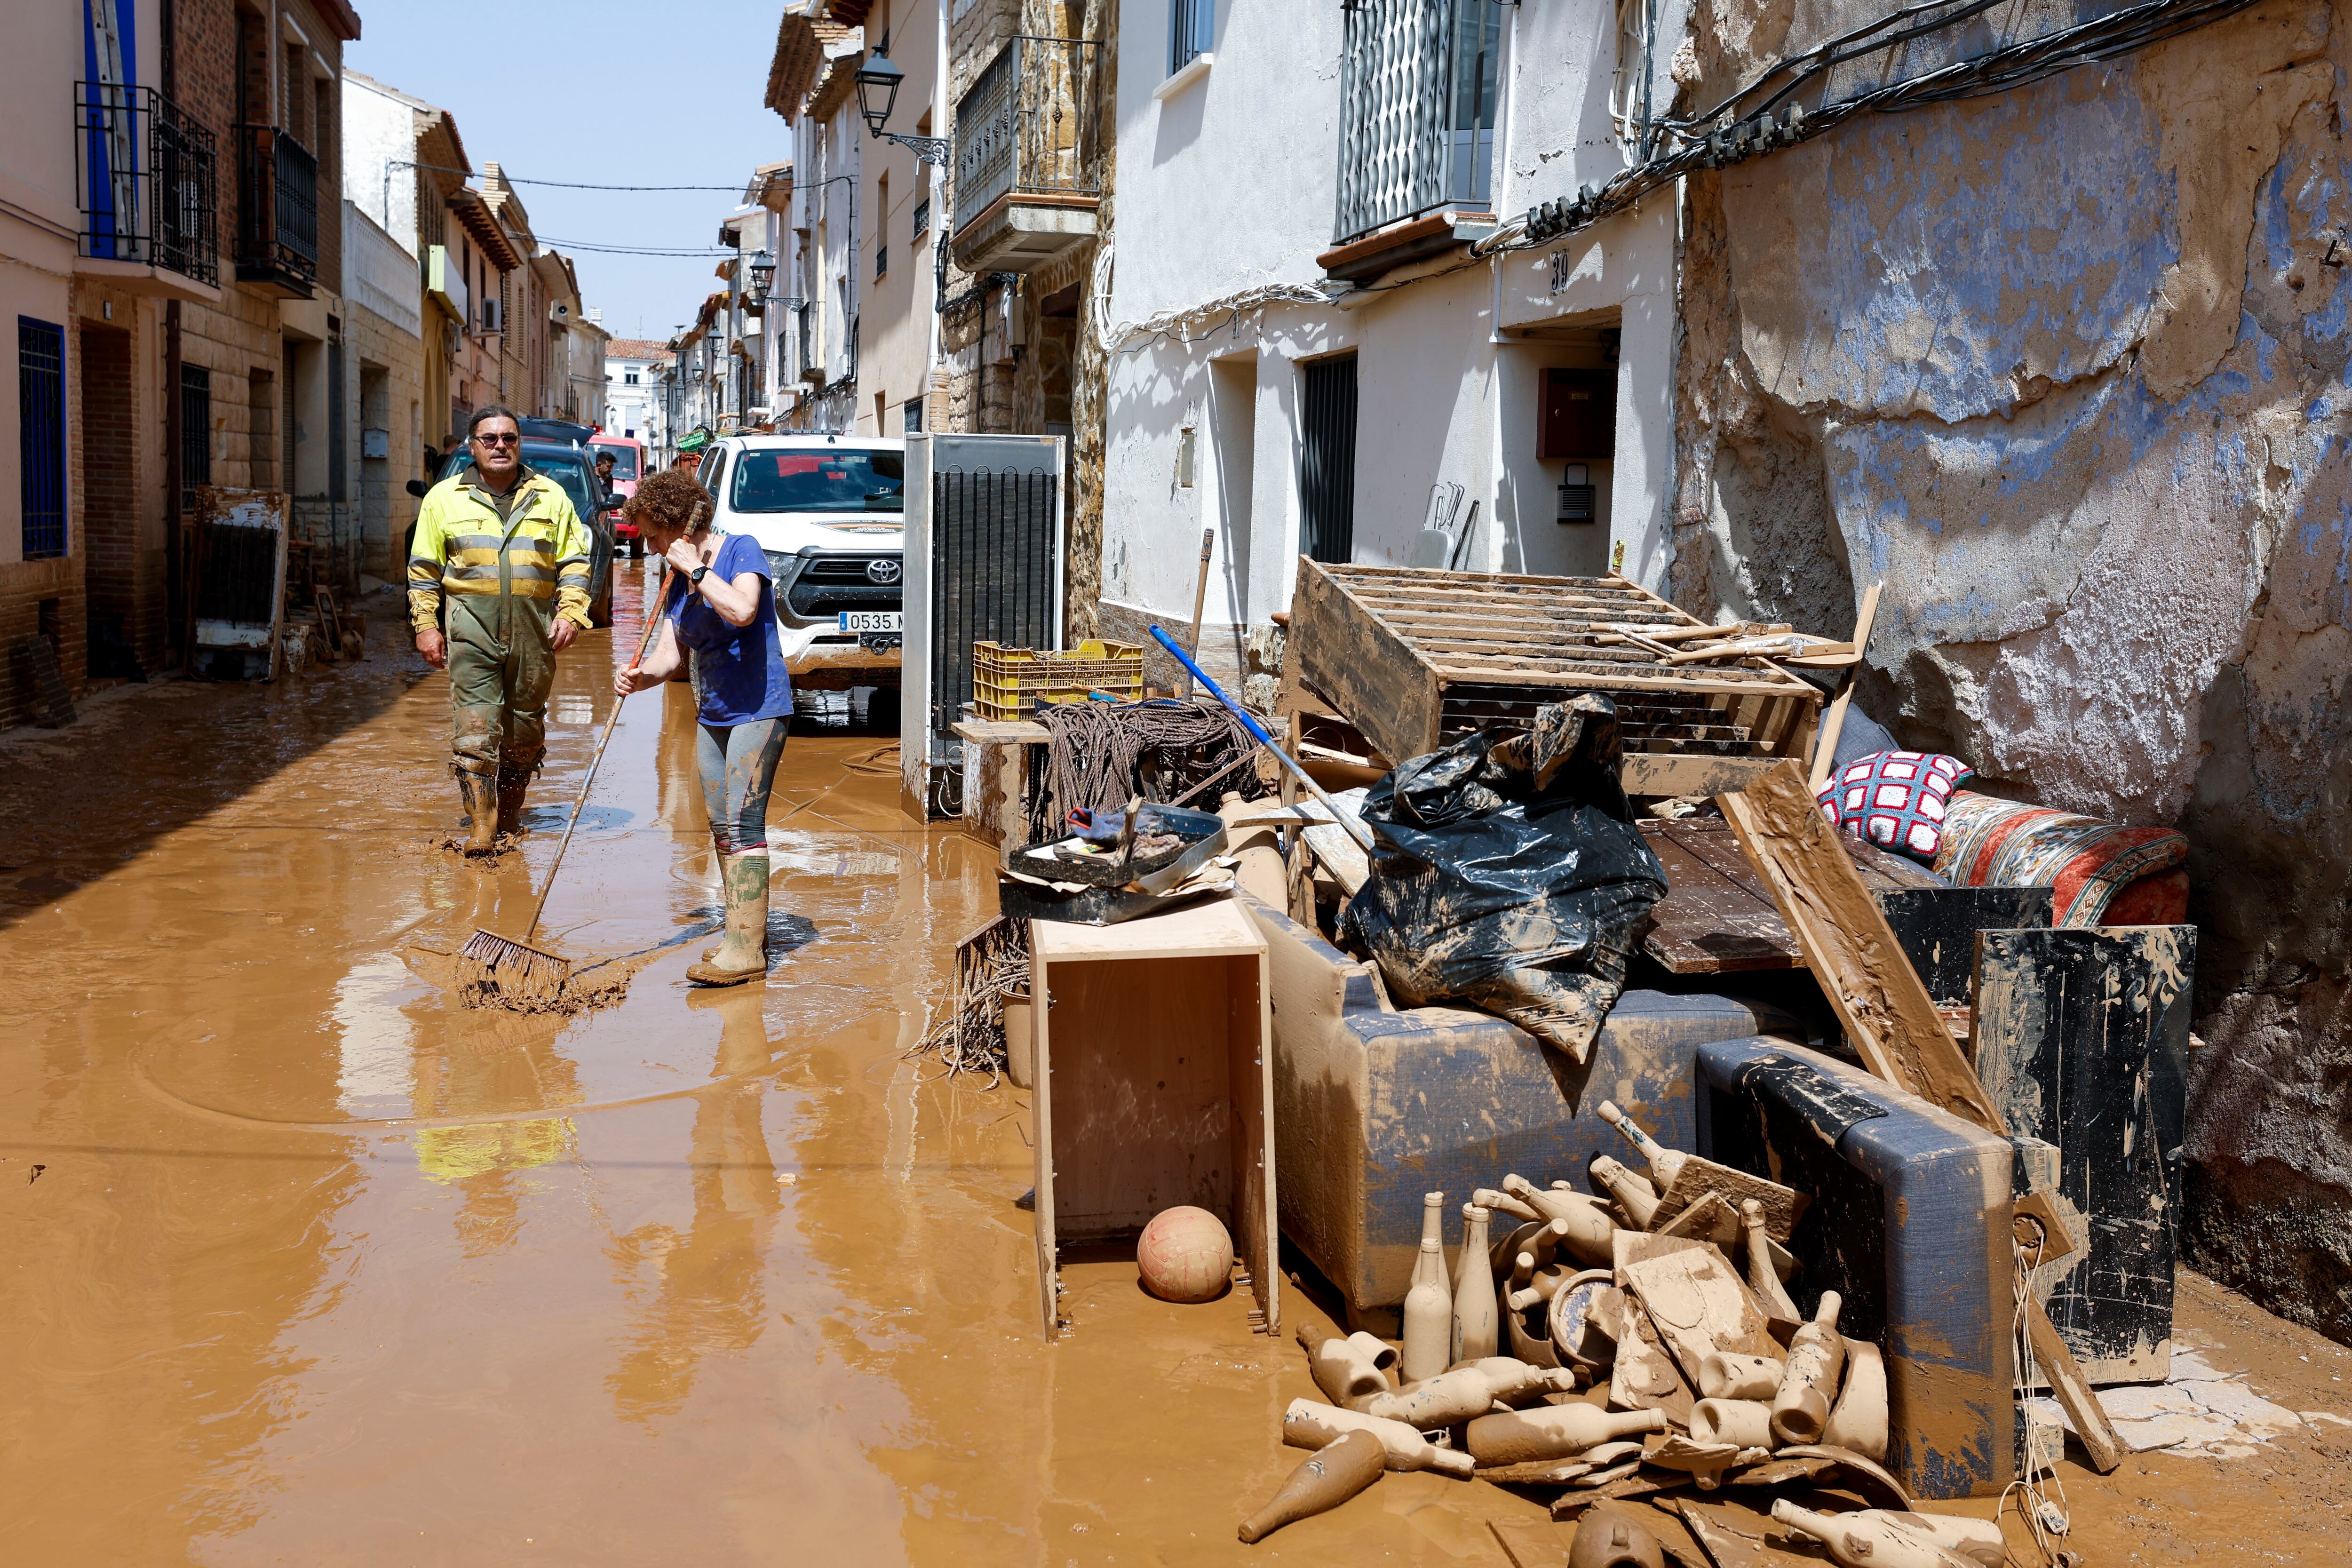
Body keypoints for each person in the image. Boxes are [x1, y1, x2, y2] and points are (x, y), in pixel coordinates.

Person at [614, 469, 793, 985]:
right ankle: (741, 933)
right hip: (712, 712)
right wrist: (637, 677)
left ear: (677, 523)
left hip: (759, 708)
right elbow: (670, 660)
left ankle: (746, 953)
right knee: (721, 827)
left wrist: (695, 570)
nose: (648, 548)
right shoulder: (674, 583)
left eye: (652, 535)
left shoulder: (741, 549)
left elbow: (742, 609)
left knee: (743, 824)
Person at [409, 406, 595, 853]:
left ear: (519, 444)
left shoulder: (551, 497)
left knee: (524, 731)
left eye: (508, 438)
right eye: (489, 439)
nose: (499, 446)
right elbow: (423, 570)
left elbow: (575, 563)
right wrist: (425, 626)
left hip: (534, 630)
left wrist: (571, 613)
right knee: (475, 729)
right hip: (470, 627)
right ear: (472, 445)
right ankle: (483, 827)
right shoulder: (443, 498)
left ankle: (510, 817)